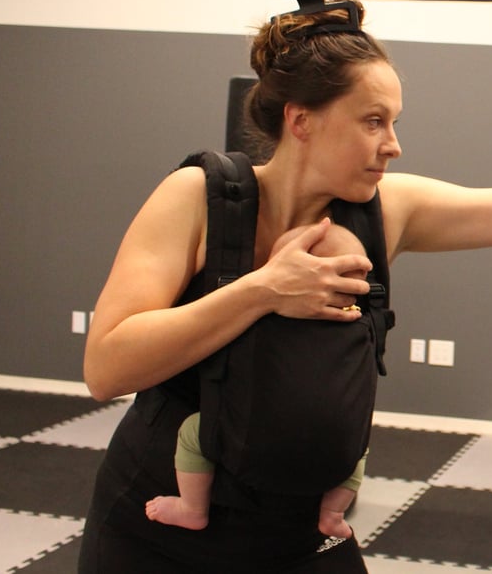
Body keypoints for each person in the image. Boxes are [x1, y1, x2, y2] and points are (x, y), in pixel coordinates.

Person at [79, 0, 492, 573]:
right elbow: (107, 366)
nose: (394, 144)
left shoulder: (386, 212)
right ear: (300, 120)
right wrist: (263, 289)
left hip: (296, 534)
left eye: (394, 121)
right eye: (373, 121)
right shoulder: (197, 197)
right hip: (158, 530)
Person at [144, 223, 372, 541]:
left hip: (251, 451)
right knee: (360, 444)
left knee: (191, 433)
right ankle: (332, 514)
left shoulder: (257, 322)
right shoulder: (359, 330)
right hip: (334, 457)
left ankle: (192, 509)